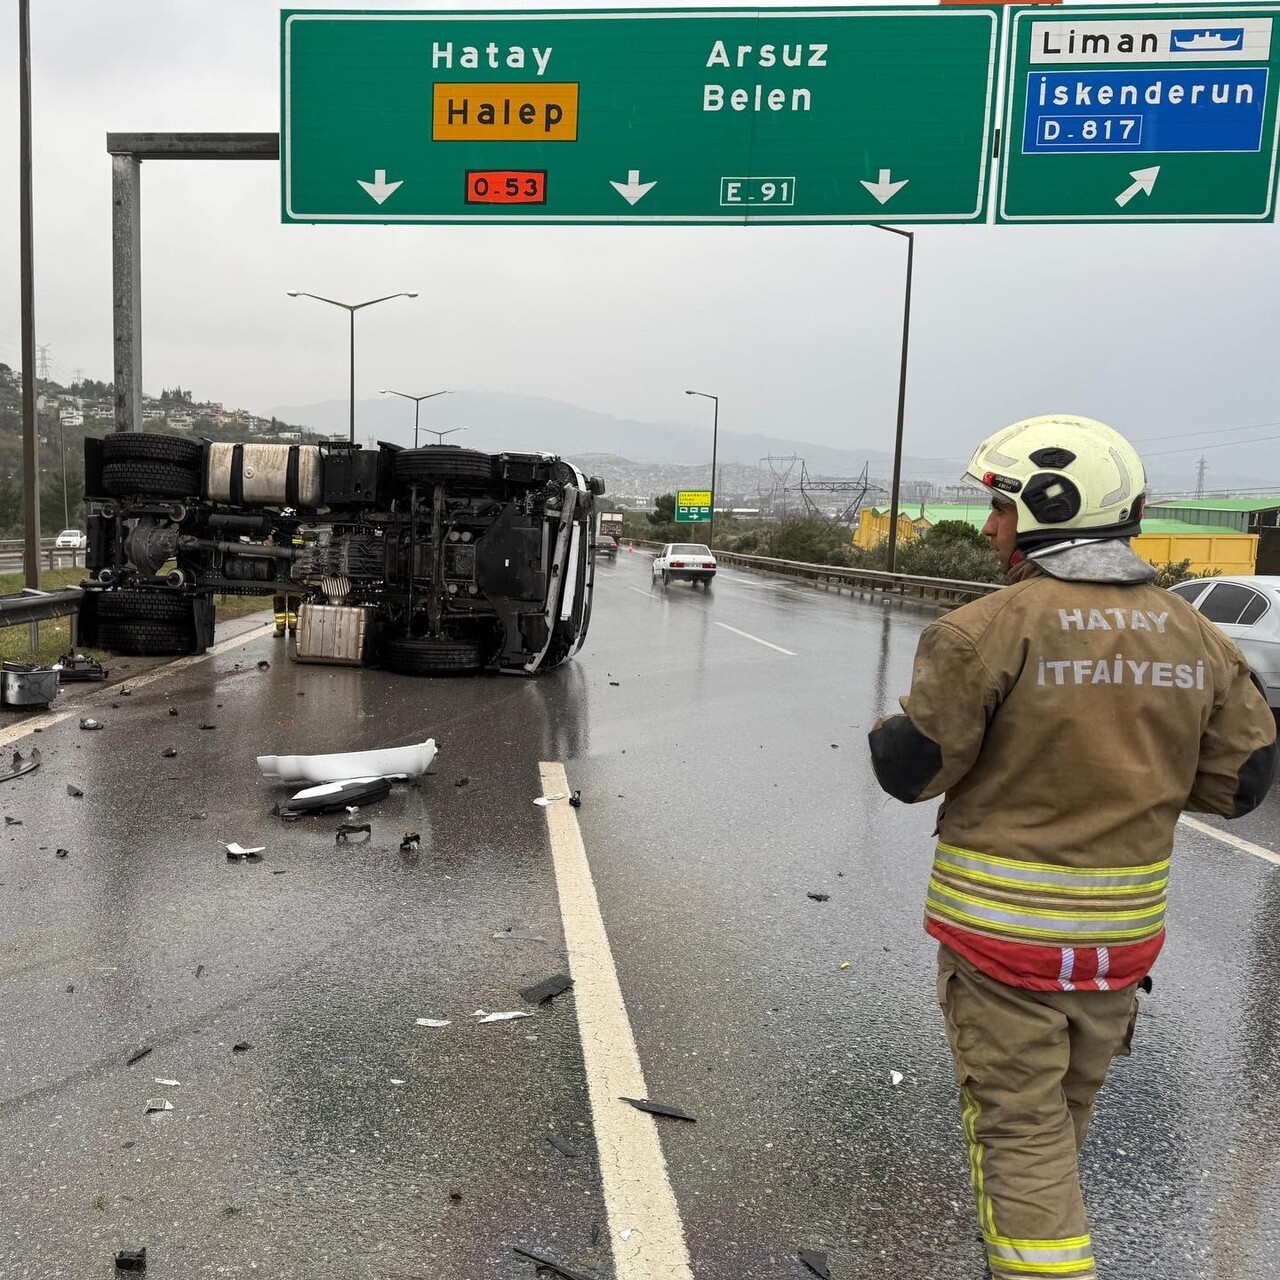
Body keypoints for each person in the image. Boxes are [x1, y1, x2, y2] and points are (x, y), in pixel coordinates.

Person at [867, 414, 1277, 1280]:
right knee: (1058, 1117)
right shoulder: (1198, 636)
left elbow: (913, 772)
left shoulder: (985, 628)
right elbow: (1239, 788)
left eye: (1002, 509)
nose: (988, 528)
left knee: (1018, 1132)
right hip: (1118, 948)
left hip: (1004, 944)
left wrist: (891, 729)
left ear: (1053, 507)